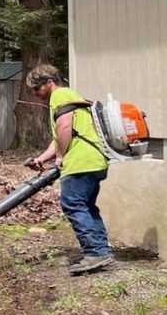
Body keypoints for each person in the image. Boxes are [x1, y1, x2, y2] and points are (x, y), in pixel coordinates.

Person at [25, 63, 114, 275]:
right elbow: (61, 135)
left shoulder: (61, 95)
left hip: (80, 162)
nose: (35, 94)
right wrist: (41, 159)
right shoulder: (70, 97)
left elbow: (64, 126)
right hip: (94, 160)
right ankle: (101, 250)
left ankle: (95, 252)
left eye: (37, 89)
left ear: (49, 82)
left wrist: (62, 157)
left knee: (72, 203)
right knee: (87, 206)